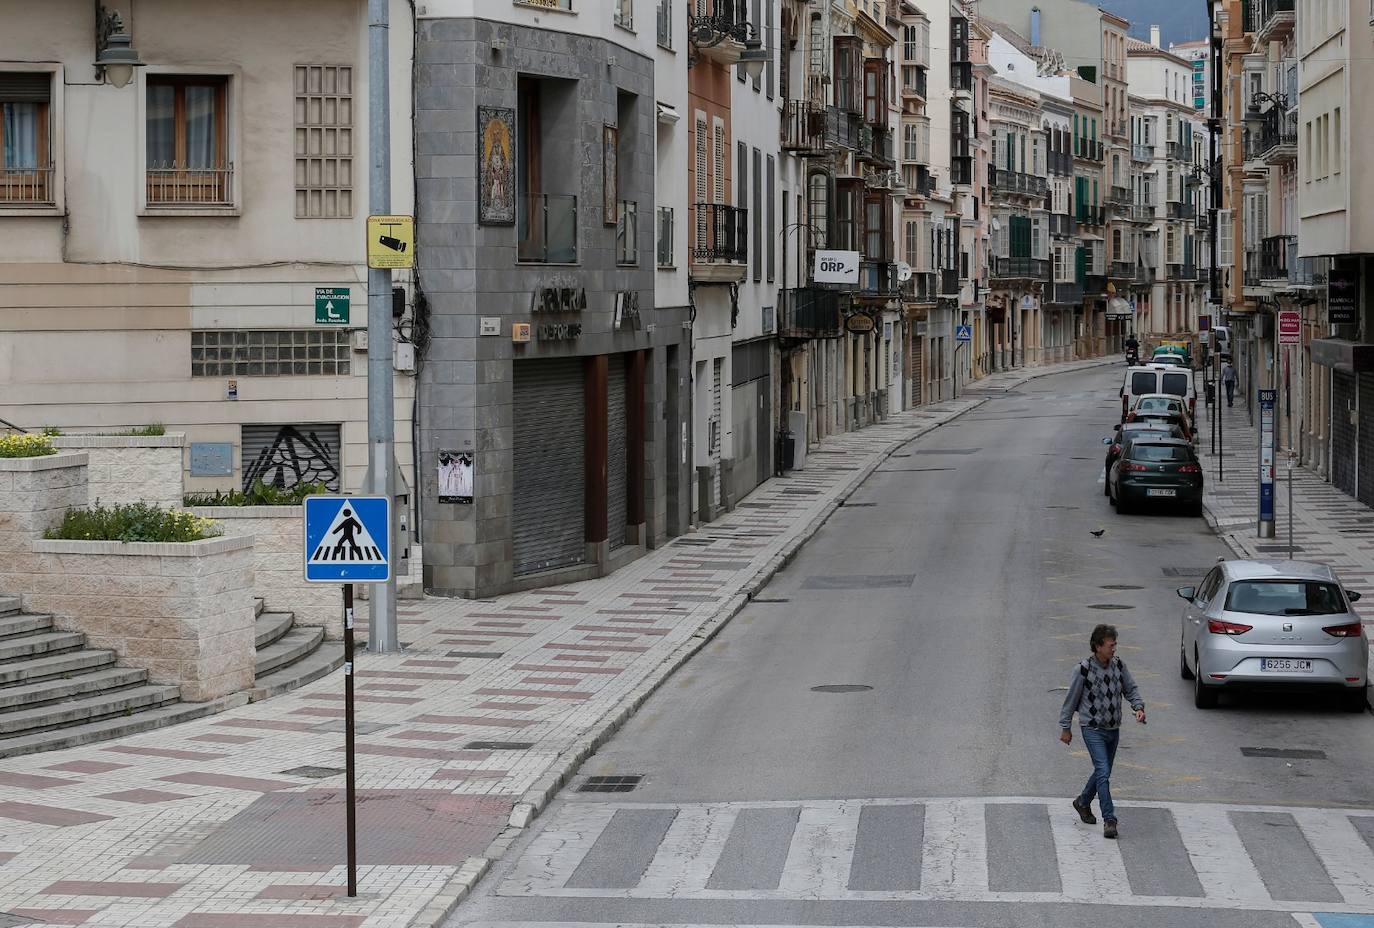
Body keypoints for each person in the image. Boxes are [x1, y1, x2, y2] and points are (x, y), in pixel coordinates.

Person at [1059, 624, 1145, 839]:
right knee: (1103, 773)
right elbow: (1070, 700)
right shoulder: (1083, 669)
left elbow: (1130, 688)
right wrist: (1066, 727)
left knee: (1101, 771)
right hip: (1093, 729)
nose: (1114, 648)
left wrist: (1138, 707)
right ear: (1097, 646)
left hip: (1113, 729)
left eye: (1115, 644)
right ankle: (1110, 819)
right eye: (1110, 645)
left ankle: (1083, 801)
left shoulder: (1118, 665)